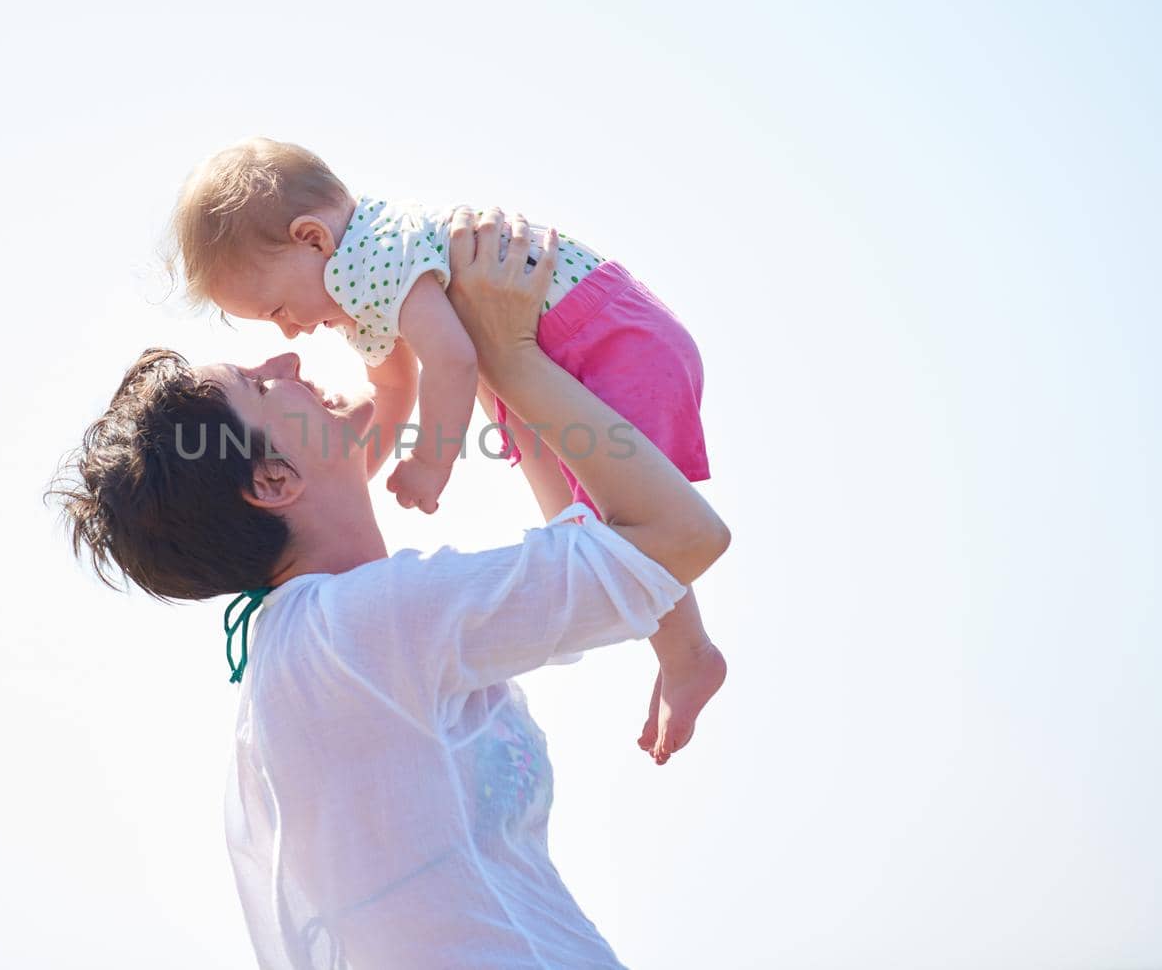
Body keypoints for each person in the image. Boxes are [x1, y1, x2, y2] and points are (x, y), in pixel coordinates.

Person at [52, 209, 731, 967]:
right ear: (274, 481)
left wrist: (501, 369)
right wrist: (506, 355)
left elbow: (601, 540)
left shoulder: (330, 639)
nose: (286, 361)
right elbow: (679, 539)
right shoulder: (351, 631)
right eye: (259, 384)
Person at [164, 137, 723, 763]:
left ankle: (689, 655)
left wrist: (432, 462)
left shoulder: (370, 260)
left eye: (278, 309)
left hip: (606, 339)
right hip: (568, 347)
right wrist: (354, 471)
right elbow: (392, 384)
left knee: (622, 530)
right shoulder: (362, 276)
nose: (290, 332)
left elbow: (452, 361)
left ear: (312, 239)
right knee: (583, 525)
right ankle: (686, 653)